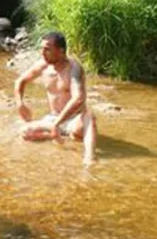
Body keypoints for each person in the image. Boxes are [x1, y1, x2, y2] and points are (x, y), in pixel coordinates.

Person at [14, 31, 98, 165]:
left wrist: (57, 123)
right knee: (24, 132)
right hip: (52, 118)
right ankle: (57, 134)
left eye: (47, 49)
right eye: (41, 49)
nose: (42, 53)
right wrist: (20, 104)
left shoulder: (74, 68)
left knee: (89, 117)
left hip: (74, 119)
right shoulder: (43, 66)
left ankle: (89, 157)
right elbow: (20, 81)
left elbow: (79, 98)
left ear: (61, 51)